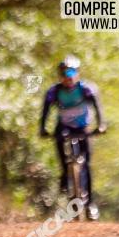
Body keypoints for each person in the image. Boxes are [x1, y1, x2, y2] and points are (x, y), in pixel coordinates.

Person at [39, 55, 106, 219]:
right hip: (64, 127)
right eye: (63, 73)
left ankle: (90, 204)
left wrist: (101, 125)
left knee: (87, 165)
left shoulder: (86, 90)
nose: (67, 77)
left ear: (77, 74)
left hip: (83, 127)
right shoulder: (54, 92)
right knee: (63, 157)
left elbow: (98, 109)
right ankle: (65, 181)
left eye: (70, 72)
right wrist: (42, 128)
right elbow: (45, 112)